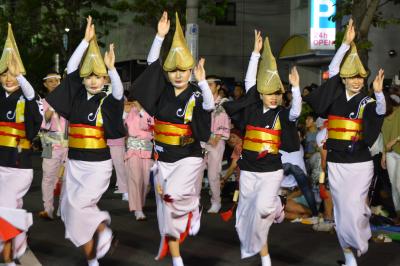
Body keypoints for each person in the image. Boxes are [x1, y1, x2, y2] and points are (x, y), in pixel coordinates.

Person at [131, 12, 214, 266]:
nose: (178, 75)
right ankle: (177, 259)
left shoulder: (195, 94)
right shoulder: (162, 92)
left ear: (190, 71)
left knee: (174, 195)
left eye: (183, 70)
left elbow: (209, 106)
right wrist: (160, 36)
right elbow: (152, 64)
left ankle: (192, 208)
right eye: (173, 70)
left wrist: (203, 83)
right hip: (163, 160)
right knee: (165, 209)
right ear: (167, 72)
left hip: (188, 157)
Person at [304, 19, 386, 266]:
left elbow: (380, 112)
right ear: (344, 78)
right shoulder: (334, 99)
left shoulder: (366, 102)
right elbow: (332, 70)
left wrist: (379, 92)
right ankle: (349, 257)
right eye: (351, 77)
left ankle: (361, 232)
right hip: (337, 163)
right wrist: (344, 45)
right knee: (341, 212)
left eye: (360, 77)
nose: (356, 81)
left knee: (354, 208)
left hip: (359, 163)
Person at [46, 16, 125, 266]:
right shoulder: (77, 96)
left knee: (80, 205)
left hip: (97, 166)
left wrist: (112, 69)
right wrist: (84, 41)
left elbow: (119, 93)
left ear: (104, 80)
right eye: (88, 76)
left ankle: (102, 227)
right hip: (75, 164)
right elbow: (69, 70)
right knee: (70, 212)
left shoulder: (107, 101)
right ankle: (92, 260)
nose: (93, 80)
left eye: (98, 76)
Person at [223, 30, 302, 266]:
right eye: (269, 93)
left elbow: (296, 112)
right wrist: (255, 55)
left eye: (277, 93)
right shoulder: (252, 110)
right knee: (251, 214)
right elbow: (249, 85)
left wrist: (296, 89)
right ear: (261, 93)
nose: (274, 97)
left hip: (271, 170)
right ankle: (265, 257)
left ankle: (277, 204)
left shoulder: (283, 115)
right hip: (249, 169)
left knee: (264, 208)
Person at [0, 23, 42, 266]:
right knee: (10, 208)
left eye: (13, 75)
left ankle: (8, 259)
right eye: (4, 74)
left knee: (5, 208)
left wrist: (21, 75)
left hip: (19, 164)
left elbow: (31, 99)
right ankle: (19, 244)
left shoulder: (27, 98)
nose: (8, 79)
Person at [39, 72, 68, 219]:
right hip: (49, 142)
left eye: (57, 80)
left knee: (67, 177)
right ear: (45, 85)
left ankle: (62, 209)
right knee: (48, 176)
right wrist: (54, 105)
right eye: (50, 81)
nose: (55, 83)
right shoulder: (42, 102)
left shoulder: (69, 100)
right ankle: (48, 208)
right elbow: (44, 120)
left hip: (68, 142)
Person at [124, 100, 154, 220]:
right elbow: (122, 124)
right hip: (133, 148)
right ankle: (138, 209)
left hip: (146, 148)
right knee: (135, 179)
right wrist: (124, 111)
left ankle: (140, 205)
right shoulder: (129, 109)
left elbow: (148, 125)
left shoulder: (149, 110)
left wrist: (141, 109)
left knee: (145, 182)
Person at [204, 75, 231, 213]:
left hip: (216, 141)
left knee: (213, 174)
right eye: (206, 84)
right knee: (195, 172)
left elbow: (222, 124)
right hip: (202, 141)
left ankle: (216, 202)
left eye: (211, 85)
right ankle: (192, 201)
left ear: (218, 87)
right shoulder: (202, 101)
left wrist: (214, 139)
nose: (208, 87)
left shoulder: (223, 103)